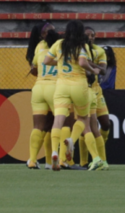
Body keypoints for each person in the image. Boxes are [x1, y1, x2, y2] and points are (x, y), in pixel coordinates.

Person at [43, 20, 104, 171]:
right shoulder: (81, 46)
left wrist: (59, 63)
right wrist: (93, 70)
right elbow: (83, 62)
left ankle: (55, 153)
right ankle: (72, 140)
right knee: (83, 119)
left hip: (62, 85)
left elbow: (46, 61)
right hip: (79, 85)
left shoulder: (59, 44)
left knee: (58, 120)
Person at [26, 23, 60, 169]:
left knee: (38, 126)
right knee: (59, 125)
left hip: (39, 88)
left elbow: (33, 67)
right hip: (55, 88)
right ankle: (57, 159)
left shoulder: (39, 46)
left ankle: (32, 160)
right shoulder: (60, 46)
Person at [78, 26, 109, 170]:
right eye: (88, 35)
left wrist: (89, 64)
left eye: (93, 35)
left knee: (106, 124)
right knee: (87, 126)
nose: (91, 37)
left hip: (97, 91)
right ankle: (85, 161)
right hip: (82, 90)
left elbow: (102, 70)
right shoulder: (78, 49)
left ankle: (99, 157)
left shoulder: (99, 50)